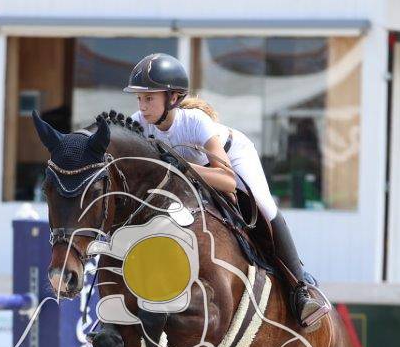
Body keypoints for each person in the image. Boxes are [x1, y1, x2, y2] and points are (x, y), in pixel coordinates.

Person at [123, 53, 328, 327]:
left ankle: (299, 288)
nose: (142, 106)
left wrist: (181, 165)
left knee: (264, 206)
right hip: (191, 175)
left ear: (173, 97)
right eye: (139, 99)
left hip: (232, 158)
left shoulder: (194, 121)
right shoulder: (139, 123)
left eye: (149, 98)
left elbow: (227, 180)